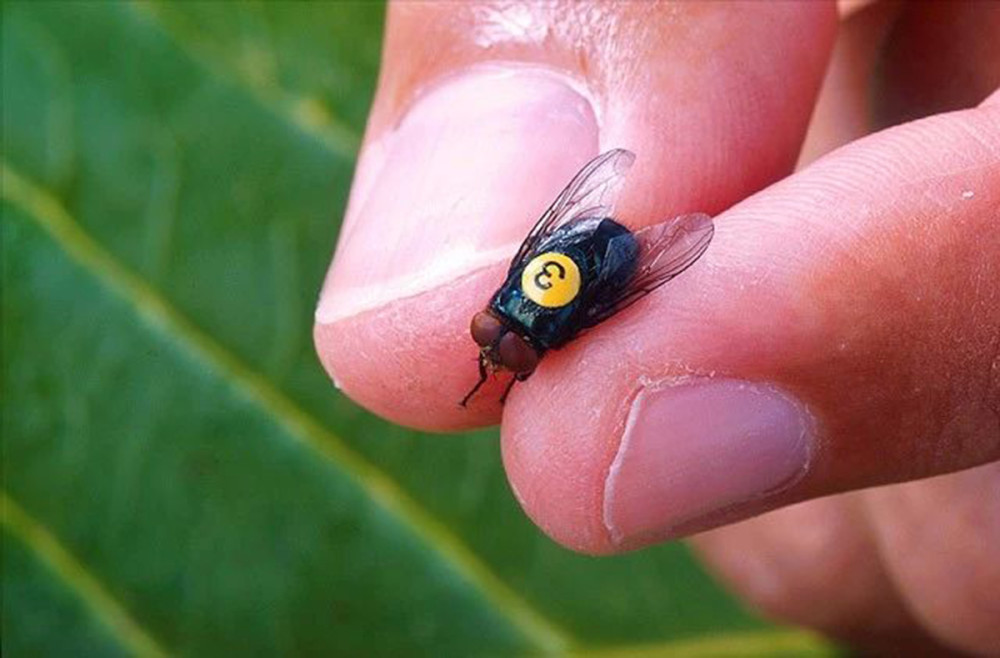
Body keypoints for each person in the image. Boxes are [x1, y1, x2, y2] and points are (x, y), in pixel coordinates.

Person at [314, 2, 999, 654]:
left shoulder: (534, 327)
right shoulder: (519, 309)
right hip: (585, 247)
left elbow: (614, 277)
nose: (498, 352)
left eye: (500, 345)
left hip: (612, 257)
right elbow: (557, 229)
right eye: (504, 349)